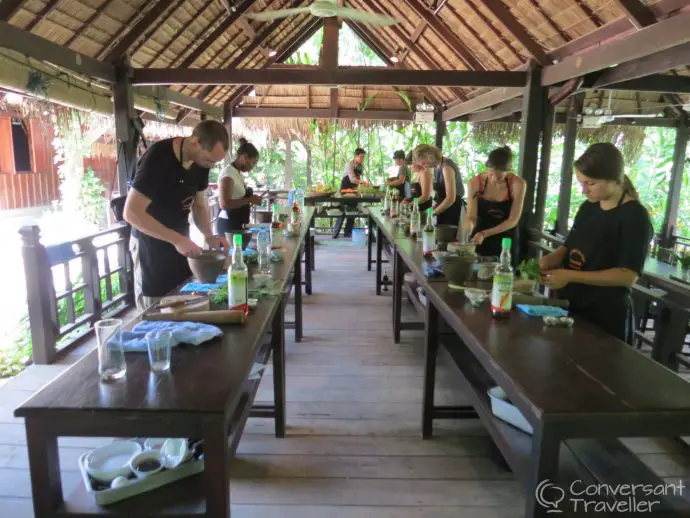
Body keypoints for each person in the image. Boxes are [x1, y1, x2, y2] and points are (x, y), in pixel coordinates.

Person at [540, 143, 653, 345]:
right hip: (571, 305)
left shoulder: (634, 216)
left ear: (614, 179)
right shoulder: (588, 208)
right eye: (581, 183)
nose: (584, 190)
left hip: (605, 314)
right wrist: (548, 261)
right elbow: (568, 247)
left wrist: (569, 275)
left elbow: (628, 275)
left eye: (590, 184)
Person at [124, 120, 229, 310]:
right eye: (209, 160)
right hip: (150, 244)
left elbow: (198, 205)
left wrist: (209, 236)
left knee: (180, 301)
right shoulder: (158, 157)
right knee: (155, 308)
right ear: (195, 142)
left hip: (179, 242)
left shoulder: (201, 164)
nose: (210, 166)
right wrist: (177, 240)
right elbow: (131, 212)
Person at [464, 146, 525, 260]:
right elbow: (472, 216)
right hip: (479, 237)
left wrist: (485, 234)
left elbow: (513, 220)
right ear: (487, 167)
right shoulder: (475, 183)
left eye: (500, 177)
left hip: (505, 238)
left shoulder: (518, 184)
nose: (494, 179)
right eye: (491, 174)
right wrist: (468, 229)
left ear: (509, 171)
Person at [407, 145, 464, 226]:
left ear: (429, 155)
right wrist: (430, 210)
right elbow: (439, 197)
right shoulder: (438, 166)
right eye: (422, 165)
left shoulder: (446, 166)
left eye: (424, 163)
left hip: (452, 209)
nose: (425, 166)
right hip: (443, 208)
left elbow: (450, 198)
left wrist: (432, 214)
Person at [216, 138, 262, 234]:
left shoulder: (237, 172)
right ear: (245, 158)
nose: (251, 168)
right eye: (252, 163)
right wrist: (249, 200)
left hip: (237, 223)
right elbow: (224, 204)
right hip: (228, 226)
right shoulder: (228, 174)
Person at [334, 148, 368, 238]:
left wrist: (364, 184)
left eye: (363, 157)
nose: (362, 159)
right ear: (355, 156)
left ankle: (347, 233)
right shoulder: (349, 165)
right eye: (360, 157)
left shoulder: (361, 165)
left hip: (354, 189)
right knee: (341, 211)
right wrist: (363, 182)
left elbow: (360, 177)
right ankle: (335, 233)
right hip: (345, 189)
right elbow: (353, 179)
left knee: (352, 211)